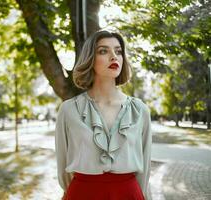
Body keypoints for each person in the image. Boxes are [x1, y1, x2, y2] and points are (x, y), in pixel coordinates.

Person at [55, 30, 152, 200]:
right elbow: (63, 165)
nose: (114, 56)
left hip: (128, 194)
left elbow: (145, 167)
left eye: (118, 51)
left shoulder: (140, 110)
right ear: (90, 59)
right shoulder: (68, 110)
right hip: (82, 194)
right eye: (103, 51)